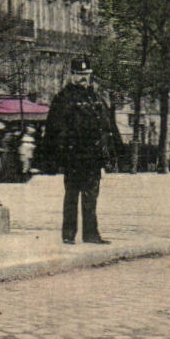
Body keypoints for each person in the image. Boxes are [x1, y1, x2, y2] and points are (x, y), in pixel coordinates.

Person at [39, 58, 117, 245]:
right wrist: (56, 157)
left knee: (91, 197)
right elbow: (54, 129)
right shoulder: (63, 98)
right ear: (72, 75)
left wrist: (109, 154)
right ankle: (68, 234)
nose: (83, 78)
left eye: (86, 74)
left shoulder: (96, 98)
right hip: (73, 156)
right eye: (79, 74)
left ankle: (91, 234)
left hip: (93, 157)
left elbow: (106, 127)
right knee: (72, 197)